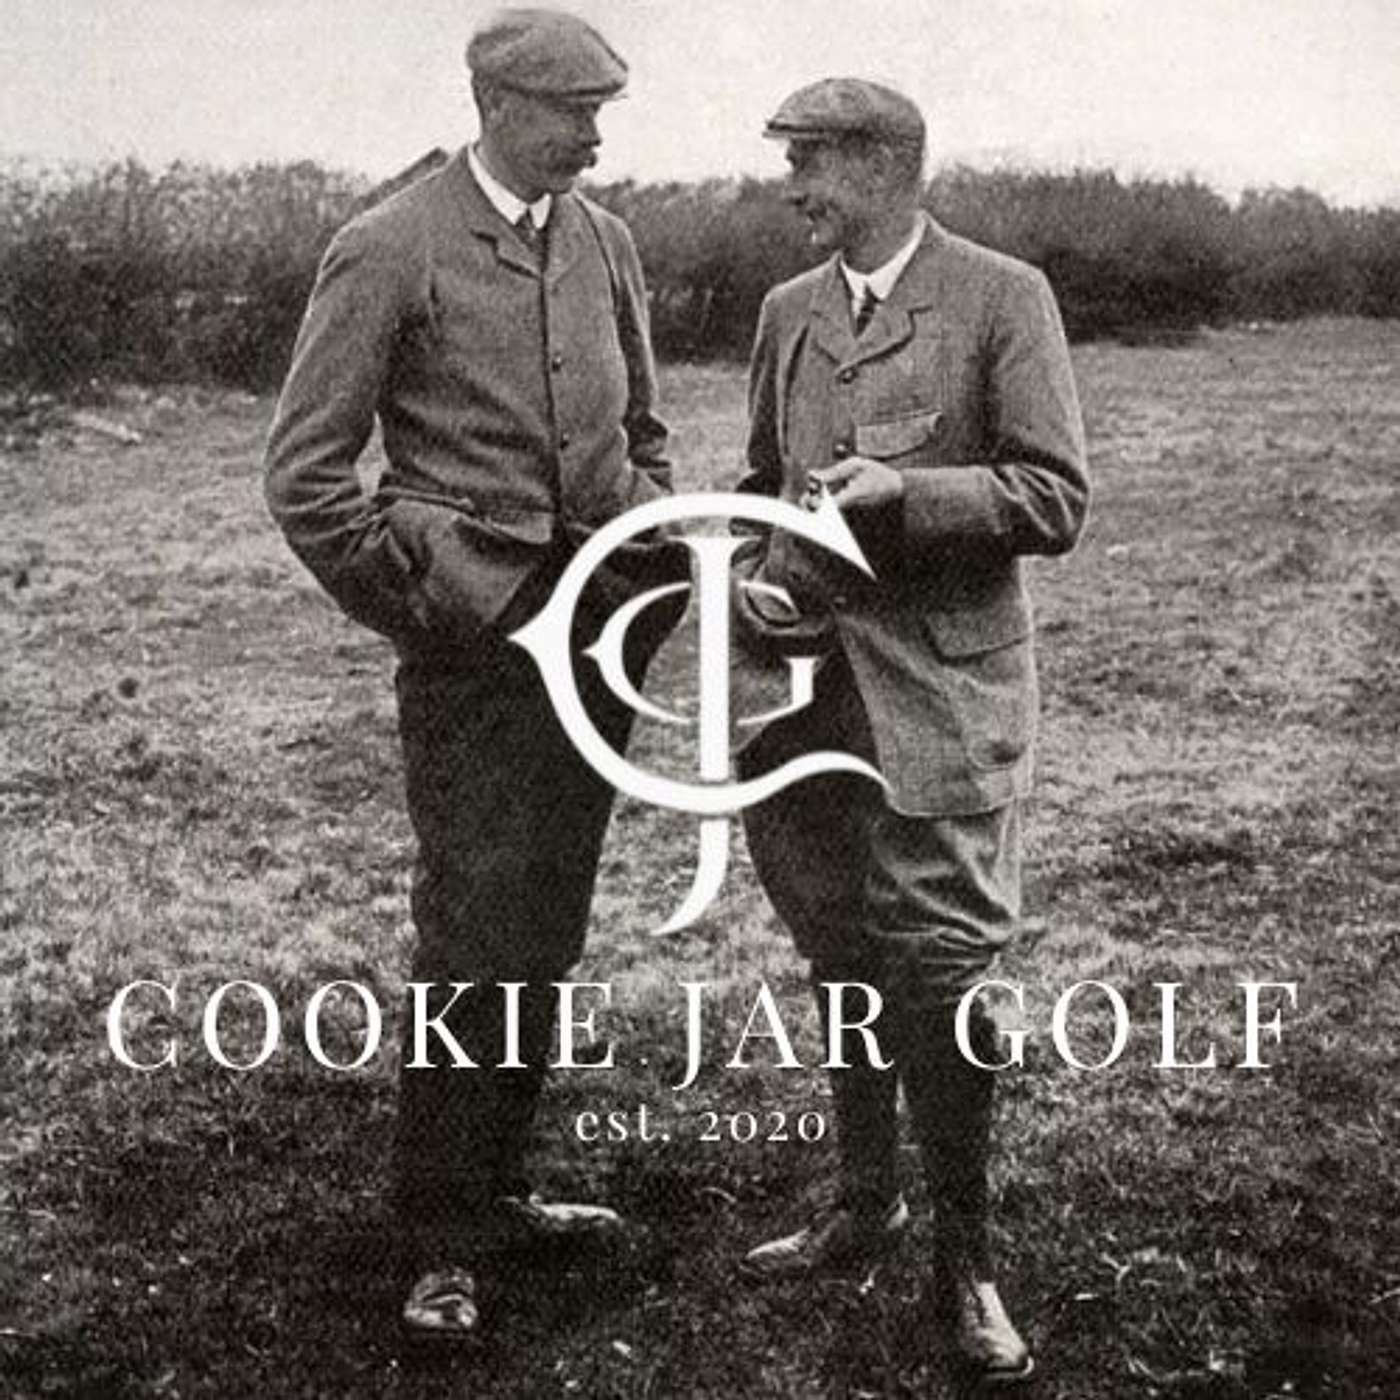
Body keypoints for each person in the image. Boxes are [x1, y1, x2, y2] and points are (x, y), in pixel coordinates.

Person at [263, 7, 684, 1346]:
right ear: (501, 106)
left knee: (546, 923)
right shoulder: (391, 244)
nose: (596, 137)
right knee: (473, 931)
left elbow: (645, 433)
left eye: (601, 112)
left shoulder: (605, 242)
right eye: (575, 113)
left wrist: (646, 560)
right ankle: (440, 1239)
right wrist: (431, 606)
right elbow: (306, 477)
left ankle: (499, 1192)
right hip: (475, 652)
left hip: (603, 633)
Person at [732, 78, 1089, 1385]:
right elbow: (764, 483)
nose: (793, 189)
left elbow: (1053, 498)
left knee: (941, 978)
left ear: (884, 167)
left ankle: (966, 1262)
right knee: (841, 955)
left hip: (943, 704)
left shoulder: (1003, 297)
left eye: (811, 165)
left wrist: (907, 494)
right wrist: (758, 581)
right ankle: (863, 1203)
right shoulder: (789, 313)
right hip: (808, 706)